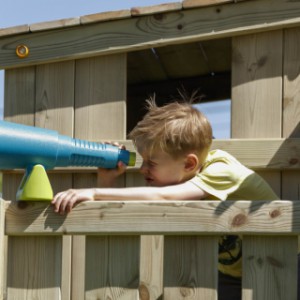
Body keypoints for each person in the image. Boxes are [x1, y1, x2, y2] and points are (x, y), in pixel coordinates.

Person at [52, 97, 279, 300]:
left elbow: (161, 196)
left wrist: (94, 192)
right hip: (234, 273)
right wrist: (106, 180)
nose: (143, 170)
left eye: (151, 162)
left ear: (189, 163)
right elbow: (114, 216)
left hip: (285, 260)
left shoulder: (221, 169)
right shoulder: (186, 178)